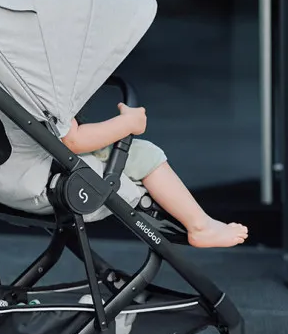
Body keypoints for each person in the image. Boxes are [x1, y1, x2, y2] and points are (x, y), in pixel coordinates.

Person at [61, 103, 249, 248]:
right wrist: (128, 122)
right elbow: (72, 140)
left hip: (44, 173)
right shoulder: (48, 83)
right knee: (144, 155)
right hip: (61, 176)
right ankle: (200, 226)